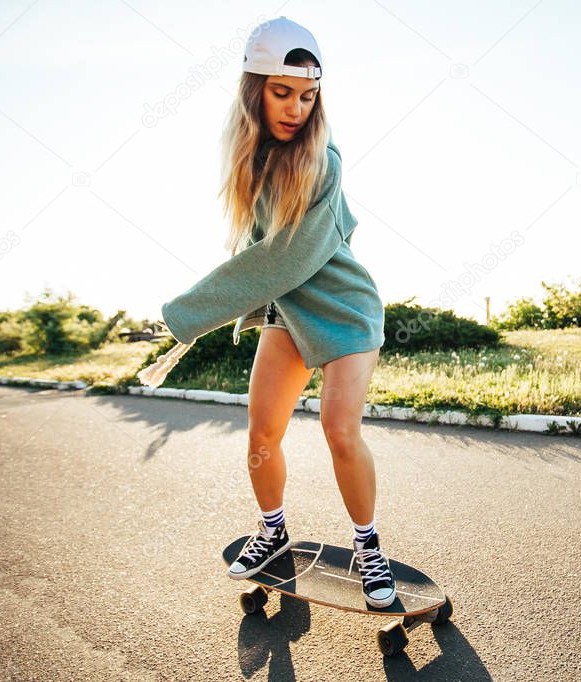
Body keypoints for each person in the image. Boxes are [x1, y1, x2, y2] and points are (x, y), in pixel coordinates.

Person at [137, 16, 395, 608]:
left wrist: (182, 316)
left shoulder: (322, 162)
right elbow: (257, 261)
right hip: (289, 315)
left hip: (347, 312)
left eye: (308, 96)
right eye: (282, 93)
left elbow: (278, 261)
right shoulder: (251, 163)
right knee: (262, 432)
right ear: (253, 89)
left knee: (339, 430)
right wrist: (192, 322)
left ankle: (367, 548)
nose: (296, 108)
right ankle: (273, 530)